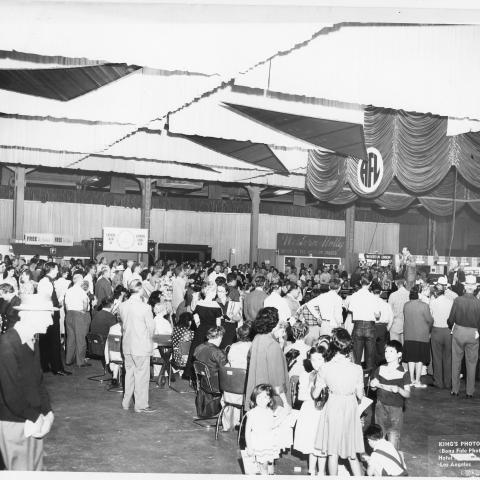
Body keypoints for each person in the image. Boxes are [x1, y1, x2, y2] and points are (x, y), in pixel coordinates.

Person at [0, 294, 56, 470]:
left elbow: (38, 382)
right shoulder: (7, 344)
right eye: (47, 315)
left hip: (33, 421)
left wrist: (48, 411)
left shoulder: (33, 340)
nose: (51, 321)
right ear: (29, 315)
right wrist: (36, 416)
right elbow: (11, 394)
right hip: (15, 423)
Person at [313, 328, 364, 476]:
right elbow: (360, 396)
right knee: (352, 451)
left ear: (333, 346)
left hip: (333, 407)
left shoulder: (325, 368)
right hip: (350, 407)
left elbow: (316, 394)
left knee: (332, 452)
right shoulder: (357, 368)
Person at [120, 280, 156, 413]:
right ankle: (140, 405)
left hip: (127, 345)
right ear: (140, 290)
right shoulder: (145, 307)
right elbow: (151, 328)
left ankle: (126, 402)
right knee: (141, 376)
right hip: (141, 346)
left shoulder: (122, 306)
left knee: (129, 374)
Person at [245, 307, 291, 411]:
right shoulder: (272, 345)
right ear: (275, 324)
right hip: (270, 398)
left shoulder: (257, 338)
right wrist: (285, 403)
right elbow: (278, 379)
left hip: (256, 393)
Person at [293, 343, 329, 476]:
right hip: (310, 410)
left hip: (324, 411)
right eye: (313, 360)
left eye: (320, 359)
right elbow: (301, 396)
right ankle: (311, 471)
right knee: (311, 444)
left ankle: (321, 472)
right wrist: (312, 389)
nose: (316, 363)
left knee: (322, 444)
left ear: (325, 359)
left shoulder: (328, 374)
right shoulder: (306, 375)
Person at [370, 341, 411, 450]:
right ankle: (379, 463)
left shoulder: (404, 372)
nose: (387, 354)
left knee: (393, 438)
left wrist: (399, 389)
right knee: (378, 438)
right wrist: (373, 384)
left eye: (391, 351)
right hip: (380, 407)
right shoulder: (381, 368)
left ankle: (392, 462)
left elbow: (407, 394)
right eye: (386, 351)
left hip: (395, 410)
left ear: (399, 354)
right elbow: (374, 388)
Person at [245, 384, 290, 475]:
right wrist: (249, 446)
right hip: (258, 443)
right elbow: (247, 432)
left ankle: (269, 474)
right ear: (255, 397)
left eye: (265, 397)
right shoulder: (252, 413)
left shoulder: (269, 411)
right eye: (259, 396)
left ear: (269, 399)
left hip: (269, 442)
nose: (261, 399)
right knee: (262, 465)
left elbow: (272, 425)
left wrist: (283, 415)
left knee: (269, 463)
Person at [447, 275, 480, 398]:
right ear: (475, 287)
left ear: (465, 286)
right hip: (473, 334)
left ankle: (455, 389)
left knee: (456, 361)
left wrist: (452, 327)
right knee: (471, 363)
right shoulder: (478, 303)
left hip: (459, 332)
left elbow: (451, 319)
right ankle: (469, 391)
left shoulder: (457, 300)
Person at [37, 262, 71, 376]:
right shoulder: (46, 282)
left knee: (45, 342)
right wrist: (54, 309)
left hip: (47, 315)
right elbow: (45, 300)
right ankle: (57, 368)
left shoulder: (45, 281)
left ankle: (45, 366)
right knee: (54, 342)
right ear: (51, 269)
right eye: (56, 269)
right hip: (50, 315)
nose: (58, 271)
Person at [403, 286, 433, 388]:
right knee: (420, 359)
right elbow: (430, 320)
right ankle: (417, 380)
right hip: (421, 336)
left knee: (411, 359)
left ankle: (411, 380)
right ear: (419, 294)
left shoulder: (406, 305)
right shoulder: (424, 306)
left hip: (409, 336)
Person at [348, 276, 378, 373]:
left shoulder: (354, 296)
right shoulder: (373, 297)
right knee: (370, 356)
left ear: (361, 282)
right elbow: (377, 315)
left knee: (356, 357)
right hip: (370, 326)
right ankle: (368, 381)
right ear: (370, 284)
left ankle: (357, 380)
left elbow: (351, 310)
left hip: (358, 326)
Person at [429, 282, 453, 390]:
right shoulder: (450, 301)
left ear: (435, 292)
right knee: (448, 358)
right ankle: (448, 382)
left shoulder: (433, 302)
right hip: (448, 331)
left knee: (437, 357)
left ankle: (438, 382)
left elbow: (431, 318)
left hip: (436, 331)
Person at [64, 273, 91, 368]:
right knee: (80, 339)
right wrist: (84, 311)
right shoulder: (81, 291)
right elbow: (85, 303)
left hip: (69, 314)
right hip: (79, 315)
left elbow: (66, 305)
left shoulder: (68, 290)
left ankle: (68, 359)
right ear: (79, 280)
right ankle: (80, 361)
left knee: (70, 338)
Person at [193, 325, 228, 391]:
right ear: (219, 337)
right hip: (216, 383)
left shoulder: (198, 347)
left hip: (203, 382)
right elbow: (225, 369)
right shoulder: (217, 352)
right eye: (221, 338)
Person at [371, 282, 394, 366]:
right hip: (382, 328)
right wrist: (387, 328)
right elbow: (391, 318)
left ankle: (372, 373)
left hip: (371, 327)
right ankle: (381, 370)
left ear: (371, 292)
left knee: (371, 351)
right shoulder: (386, 304)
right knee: (382, 352)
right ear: (381, 292)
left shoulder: (369, 304)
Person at [388, 278, 410, 344]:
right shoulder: (409, 294)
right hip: (406, 324)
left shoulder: (393, 295)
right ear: (405, 283)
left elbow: (389, 311)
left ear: (396, 284)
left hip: (395, 324)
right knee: (404, 346)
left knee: (395, 347)